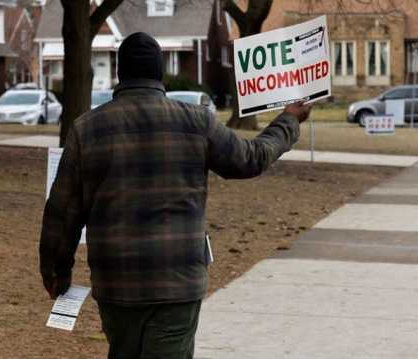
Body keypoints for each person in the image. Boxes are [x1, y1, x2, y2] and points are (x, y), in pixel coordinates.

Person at [39, 32, 311, 359]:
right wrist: (288, 121)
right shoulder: (196, 121)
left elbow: (63, 211)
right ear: (160, 74)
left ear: (119, 73)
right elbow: (251, 158)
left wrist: (56, 272)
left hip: (117, 283)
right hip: (178, 282)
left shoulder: (87, 129)